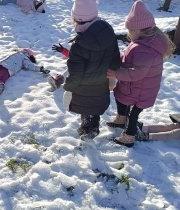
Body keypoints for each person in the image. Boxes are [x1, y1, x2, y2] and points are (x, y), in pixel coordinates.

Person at [106, 1, 175, 148]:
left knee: (133, 114)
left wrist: (116, 73)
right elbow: (130, 61)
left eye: (129, 30)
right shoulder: (145, 42)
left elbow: (137, 73)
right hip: (136, 87)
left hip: (140, 91)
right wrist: (117, 63)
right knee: (120, 98)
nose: (128, 34)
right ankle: (120, 119)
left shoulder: (144, 48)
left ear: (137, 30)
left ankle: (128, 137)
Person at [62, 0, 121, 140]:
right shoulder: (107, 31)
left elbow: (75, 73)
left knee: (85, 106)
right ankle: (93, 125)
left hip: (83, 87)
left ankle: (86, 128)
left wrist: (68, 88)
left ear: (76, 19)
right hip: (101, 83)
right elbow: (115, 56)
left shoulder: (79, 45)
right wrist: (113, 74)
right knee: (95, 106)